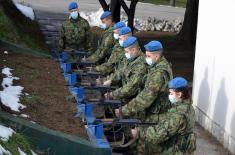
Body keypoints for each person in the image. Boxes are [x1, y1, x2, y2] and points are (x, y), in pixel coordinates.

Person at [132, 77, 196, 155]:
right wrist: (149, 119)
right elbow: (167, 117)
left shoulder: (179, 115)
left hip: (176, 150)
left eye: (171, 93)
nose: (169, 96)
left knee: (144, 143)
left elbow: (156, 136)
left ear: (179, 94)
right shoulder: (187, 106)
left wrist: (138, 132)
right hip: (181, 147)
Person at [115, 40, 173, 119]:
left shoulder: (158, 73)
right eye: (146, 56)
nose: (146, 58)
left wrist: (124, 110)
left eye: (148, 56)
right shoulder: (159, 65)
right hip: (154, 109)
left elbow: (146, 97)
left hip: (156, 114)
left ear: (156, 56)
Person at [103, 36, 147, 102]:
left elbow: (131, 88)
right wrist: (109, 80)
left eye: (126, 52)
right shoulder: (131, 58)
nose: (126, 54)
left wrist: (112, 95)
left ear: (134, 50)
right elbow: (120, 72)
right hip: (126, 97)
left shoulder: (141, 64)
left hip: (134, 102)